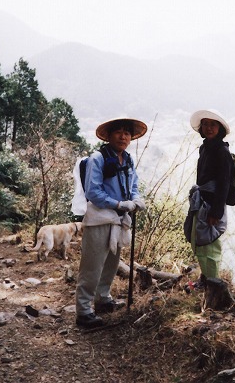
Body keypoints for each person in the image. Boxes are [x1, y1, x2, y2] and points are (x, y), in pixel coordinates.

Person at [75, 117, 147, 328]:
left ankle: (103, 298)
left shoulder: (128, 159)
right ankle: (84, 311)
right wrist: (119, 204)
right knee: (92, 265)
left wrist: (135, 200)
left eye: (127, 133)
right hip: (99, 218)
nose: (123, 136)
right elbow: (93, 191)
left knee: (111, 262)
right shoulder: (97, 158)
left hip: (119, 219)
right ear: (108, 135)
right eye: (118, 132)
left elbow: (133, 185)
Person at [186, 109, 233, 283]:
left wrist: (216, 211)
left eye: (213, 124)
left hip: (212, 205)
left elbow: (224, 183)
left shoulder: (222, 151)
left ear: (219, 128)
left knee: (211, 244)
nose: (208, 128)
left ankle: (213, 283)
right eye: (205, 124)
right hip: (203, 202)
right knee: (200, 241)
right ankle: (205, 278)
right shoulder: (205, 148)